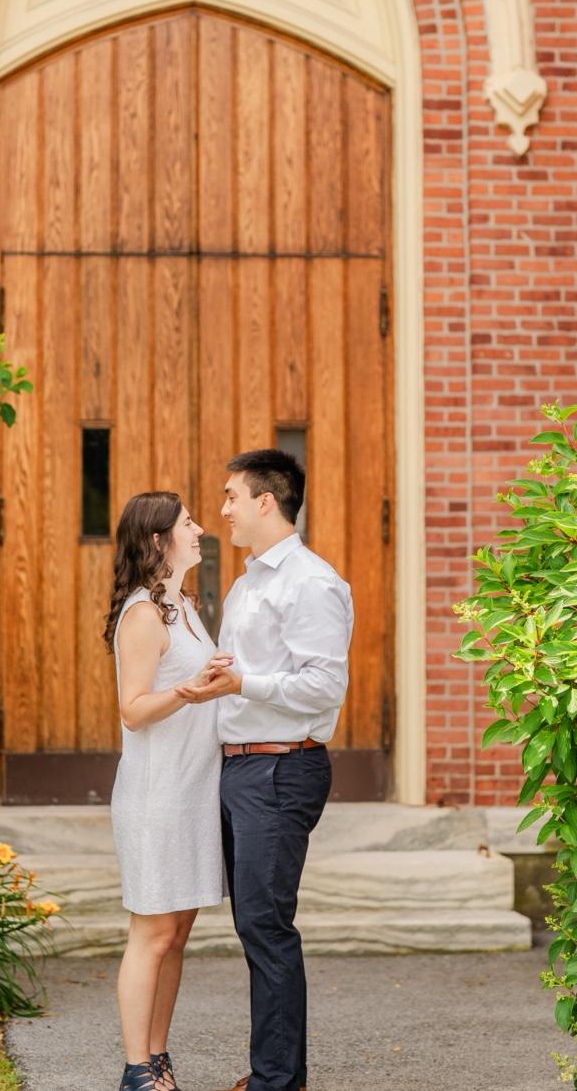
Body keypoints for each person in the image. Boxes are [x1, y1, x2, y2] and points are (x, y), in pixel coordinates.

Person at [175, 449, 353, 1091]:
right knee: (257, 923)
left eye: (229, 497)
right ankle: (279, 1075)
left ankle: (276, 1082)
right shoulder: (251, 581)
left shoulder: (310, 583)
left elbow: (325, 687)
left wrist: (240, 684)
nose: (221, 510)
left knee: (265, 924)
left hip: (281, 770)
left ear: (265, 502)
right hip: (242, 770)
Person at [106, 491, 231, 1091]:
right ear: (158, 540)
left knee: (177, 931)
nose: (201, 529)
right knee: (151, 934)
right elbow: (132, 711)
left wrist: (207, 678)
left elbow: (185, 680)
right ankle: (136, 1070)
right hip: (156, 797)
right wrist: (191, 692)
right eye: (188, 524)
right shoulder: (142, 615)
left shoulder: (181, 603)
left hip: (191, 791)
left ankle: (159, 1059)